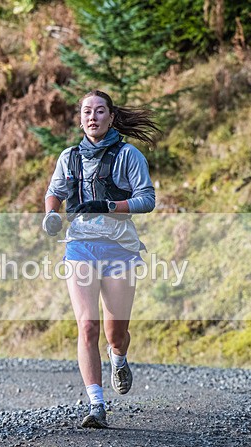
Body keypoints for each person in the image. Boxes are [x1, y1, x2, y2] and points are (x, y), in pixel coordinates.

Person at [42, 89, 159, 428]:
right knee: (87, 325)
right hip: (80, 246)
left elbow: (147, 199)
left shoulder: (129, 155)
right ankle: (96, 405)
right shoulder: (69, 157)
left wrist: (110, 206)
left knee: (115, 333)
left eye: (99, 111)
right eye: (86, 112)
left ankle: (118, 358)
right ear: (80, 120)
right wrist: (51, 214)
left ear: (111, 117)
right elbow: (54, 192)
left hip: (120, 248)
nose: (92, 116)